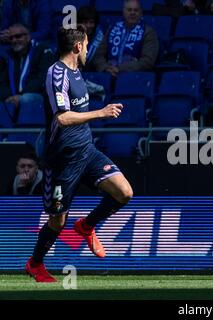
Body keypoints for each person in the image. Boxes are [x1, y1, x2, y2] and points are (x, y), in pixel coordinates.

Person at [25, 25, 133, 283]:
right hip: (62, 160)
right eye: (85, 45)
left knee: (124, 192)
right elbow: (62, 118)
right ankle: (35, 264)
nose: (87, 49)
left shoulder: (76, 71)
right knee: (57, 222)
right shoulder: (56, 74)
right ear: (77, 47)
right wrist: (101, 112)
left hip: (87, 150)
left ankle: (86, 226)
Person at [0, 23, 54, 122]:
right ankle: (5, 135)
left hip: (38, 95)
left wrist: (20, 96)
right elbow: (2, 81)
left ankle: (27, 134)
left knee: (26, 99)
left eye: (18, 36)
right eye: (11, 38)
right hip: (13, 96)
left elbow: (42, 78)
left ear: (28, 37)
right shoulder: (9, 56)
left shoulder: (42, 51)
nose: (14, 40)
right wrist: (9, 96)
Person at [93, 0, 159, 77]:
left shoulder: (148, 32)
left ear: (141, 13)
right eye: (129, 10)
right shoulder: (112, 29)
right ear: (123, 11)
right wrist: (105, 68)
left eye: (136, 10)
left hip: (134, 76)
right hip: (108, 74)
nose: (132, 13)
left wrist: (120, 68)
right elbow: (98, 55)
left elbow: (148, 61)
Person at [77, 6, 104, 72]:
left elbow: (100, 61)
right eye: (85, 22)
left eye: (91, 22)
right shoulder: (71, 36)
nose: (88, 26)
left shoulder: (101, 39)